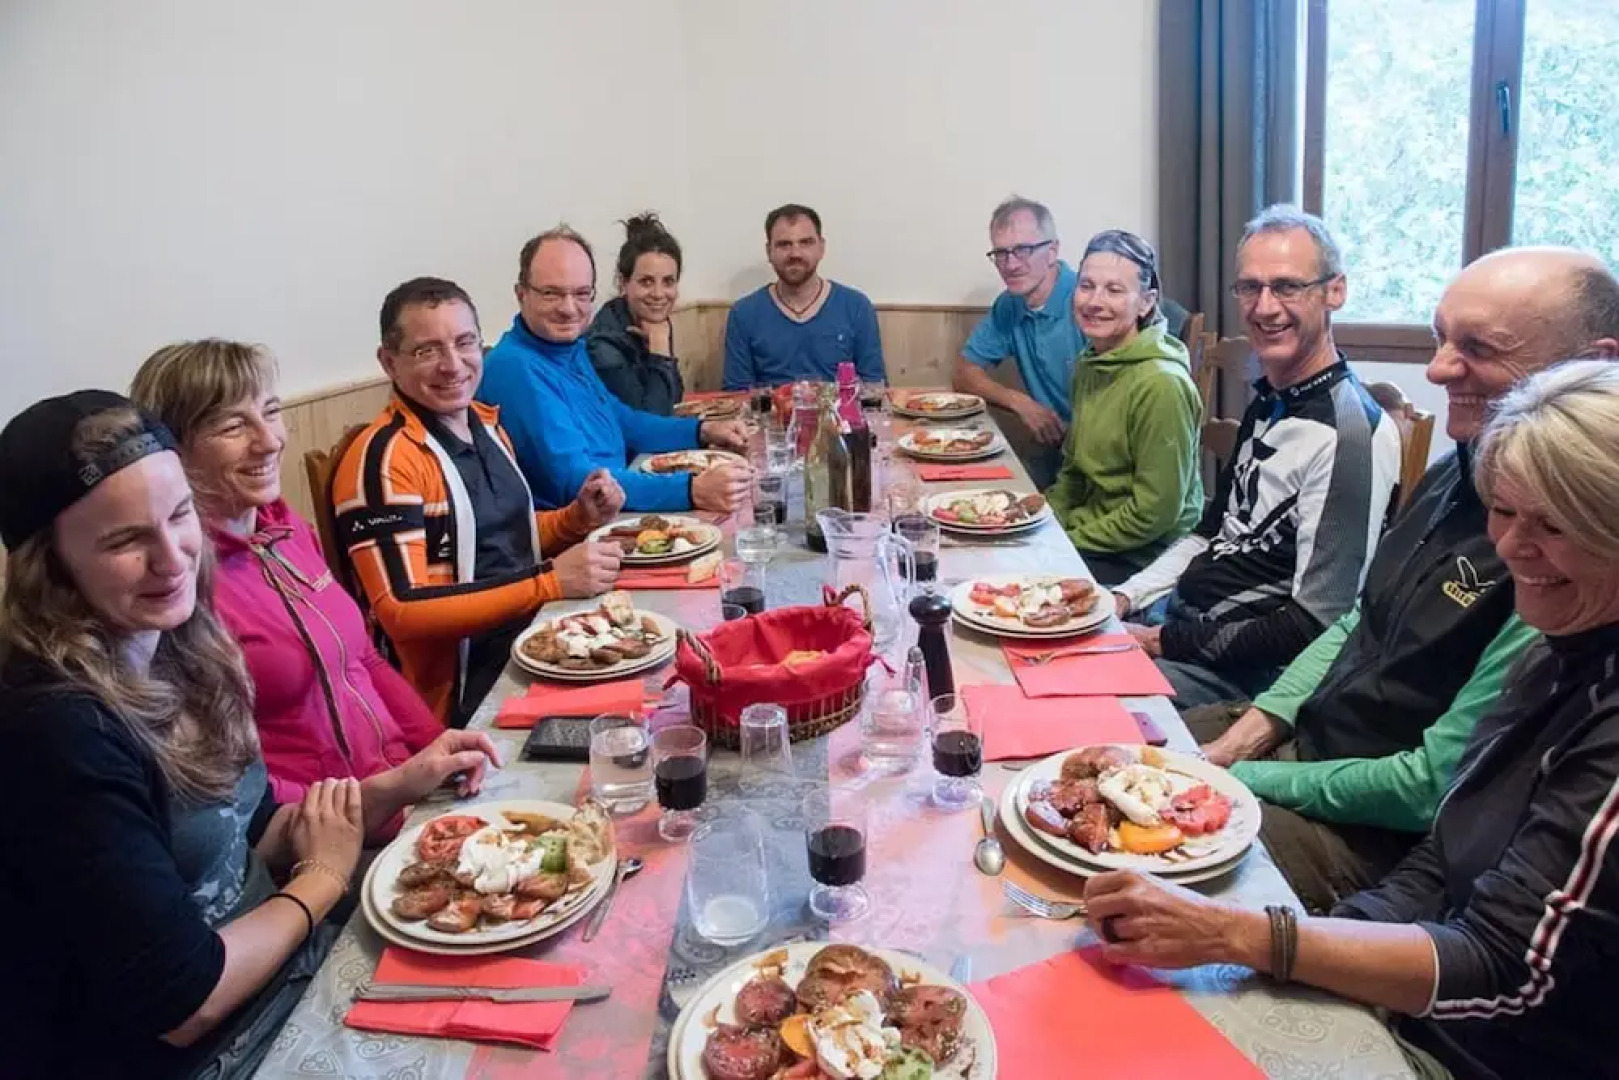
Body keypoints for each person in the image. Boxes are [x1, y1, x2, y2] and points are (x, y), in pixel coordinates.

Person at [1083, 360, 1619, 1080]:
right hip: (1414, 985)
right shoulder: (1553, 640)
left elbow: (1502, 970)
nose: (1509, 547)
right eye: (1503, 510)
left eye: (1552, 524)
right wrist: (1318, 944)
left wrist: (1251, 940)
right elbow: (1445, 846)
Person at [0, 391, 498, 1079]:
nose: (172, 558)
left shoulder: (179, 643)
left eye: (179, 517)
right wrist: (322, 880)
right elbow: (182, 1003)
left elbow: (252, 834)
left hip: (286, 975)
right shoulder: (54, 728)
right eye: (123, 540)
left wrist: (395, 785)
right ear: (50, 566)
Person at [1189, 249, 1619, 913]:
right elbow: (1356, 618)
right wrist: (1252, 730)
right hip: (1304, 743)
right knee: (1108, 754)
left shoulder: (1563, 557)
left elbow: (1428, 787)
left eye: (1476, 346)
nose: (1437, 368)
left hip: (1367, 832)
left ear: (1592, 362)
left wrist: (1245, 777)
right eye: (1438, 337)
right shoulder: (1456, 466)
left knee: (1148, 867)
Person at [130, 341, 498, 807]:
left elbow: (363, 658)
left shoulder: (287, 530)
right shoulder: (176, 585)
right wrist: (381, 796)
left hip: (401, 790)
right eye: (232, 426)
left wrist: (438, 743)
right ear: (174, 451)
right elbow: (232, 791)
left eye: (271, 411)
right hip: (326, 831)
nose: (268, 441)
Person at [1113, 205, 1401, 706]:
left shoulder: (1346, 435)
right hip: (1181, 622)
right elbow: (1212, 531)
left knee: (1071, 701)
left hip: (1249, 677)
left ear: (1335, 291)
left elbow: (1315, 622)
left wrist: (1159, 642)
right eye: (1251, 287)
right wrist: (1123, 598)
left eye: (1288, 286)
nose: (1265, 307)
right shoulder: (1273, 396)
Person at [331, 277, 626, 726]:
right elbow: (402, 610)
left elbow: (504, 539)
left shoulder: (486, 427)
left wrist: (575, 519)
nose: (453, 365)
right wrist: (549, 583)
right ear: (389, 362)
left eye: (464, 342)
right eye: (426, 350)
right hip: (459, 704)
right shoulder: (385, 458)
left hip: (533, 646)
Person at [478, 225, 751, 512]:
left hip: (622, 499)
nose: (569, 308)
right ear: (521, 294)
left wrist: (702, 431)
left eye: (582, 294)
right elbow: (577, 482)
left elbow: (623, 421)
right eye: (551, 293)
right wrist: (691, 490)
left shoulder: (570, 348)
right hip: (582, 532)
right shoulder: (515, 368)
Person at [1044, 230, 1203, 586]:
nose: (1094, 301)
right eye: (1086, 286)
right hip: (1093, 537)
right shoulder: (1091, 363)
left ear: (1146, 302)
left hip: (1145, 558)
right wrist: (1043, 524)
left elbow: (1154, 514)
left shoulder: (1161, 384)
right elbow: (1073, 472)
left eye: (1114, 290)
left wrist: (1066, 542)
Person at [953, 196, 1087, 489]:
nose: (1010, 264)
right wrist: (1021, 403)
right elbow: (964, 373)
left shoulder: (1088, 301)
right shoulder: (1010, 305)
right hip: (1055, 453)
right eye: (1000, 253)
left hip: (1097, 458)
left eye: (1022, 250)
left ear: (1052, 251)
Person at [722, 204, 885, 389]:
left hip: (838, 417)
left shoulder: (857, 307)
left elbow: (875, 388)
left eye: (805, 242)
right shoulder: (743, 313)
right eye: (784, 244)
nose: (795, 254)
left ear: (821, 248)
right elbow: (735, 395)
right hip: (770, 416)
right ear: (769, 252)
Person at [587, 212, 686, 414]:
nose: (659, 294)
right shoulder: (603, 346)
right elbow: (651, 424)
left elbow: (674, 397)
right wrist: (659, 352)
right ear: (624, 283)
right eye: (646, 282)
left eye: (668, 282)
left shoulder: (653, 323)